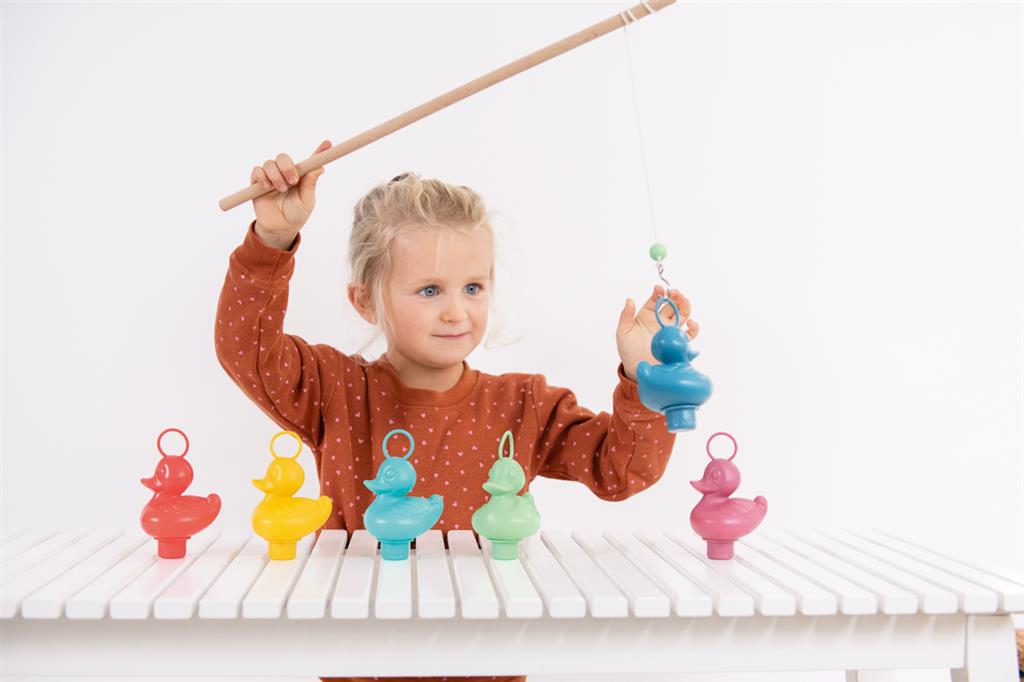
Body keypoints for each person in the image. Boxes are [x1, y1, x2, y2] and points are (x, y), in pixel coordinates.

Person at [214, 139, 700, 682]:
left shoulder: (524, 404)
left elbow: (623, 470)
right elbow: (246, 351)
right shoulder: (336, 390)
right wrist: (272, 240)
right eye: (429, 290)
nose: (456, 311)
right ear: (365, 300)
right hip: (361, 664)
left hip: (488, 664)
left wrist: (643, 377)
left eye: (473, 287)